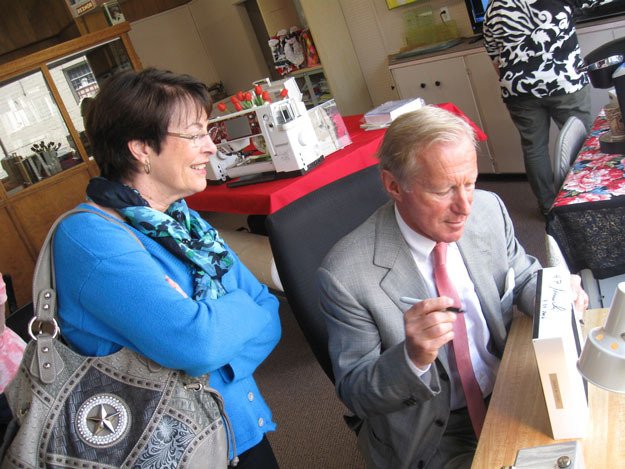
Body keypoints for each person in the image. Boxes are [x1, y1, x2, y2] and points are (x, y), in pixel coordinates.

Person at [317, 106, 588, 468]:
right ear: (393, 185)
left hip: (508, 383)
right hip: (431, 429)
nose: (464, 206)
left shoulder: (489, 210)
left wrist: (554, 293)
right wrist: (411, 357)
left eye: (470, 183)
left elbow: (521, 274)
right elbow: (356, 392)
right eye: (444, 190)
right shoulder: (346, 274)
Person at [52, 68, 281, 468]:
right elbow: (199, 342)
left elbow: (271, 313)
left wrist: (213, 358)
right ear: (140, 148)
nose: (211, 147)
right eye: (195, 135)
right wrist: (232, 318)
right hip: (167, 449)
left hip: (238, 427)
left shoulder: (184, 222)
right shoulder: (90, 238)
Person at [482, 0, 608, 216]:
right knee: (583, 142)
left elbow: (495, 57)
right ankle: (586, 199)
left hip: (520, 89)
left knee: (533, 146)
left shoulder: (494, 7)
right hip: (564, 82)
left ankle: (548, 208)